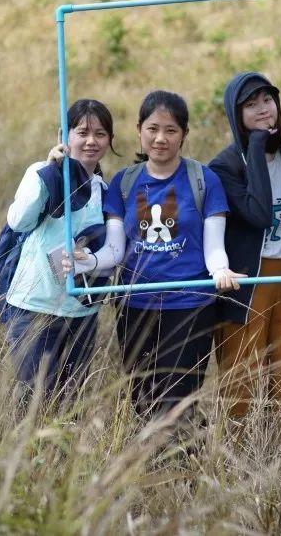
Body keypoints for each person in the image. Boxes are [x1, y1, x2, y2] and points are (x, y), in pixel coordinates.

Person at [101, 90, 245, 420]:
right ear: (139, 129)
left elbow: (214, 247)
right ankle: (149, 467)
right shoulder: (123, 183)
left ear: (184, 134)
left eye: (171, 130)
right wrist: (86, 261)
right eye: (152, 129)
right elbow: (113, 249)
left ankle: (187, 466)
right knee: (142, 396)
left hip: (191, 305)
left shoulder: (203, 179)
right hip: (135, 305)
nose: (161, 138)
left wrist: (220, 270)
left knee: (181, 396)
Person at [208, 72, 281, 441]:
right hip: (246, 284)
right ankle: (237, 457)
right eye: (250, 105)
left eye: (267, 100)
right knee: (242, 374)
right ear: (235, 115)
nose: (262, 109)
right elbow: (259, 214)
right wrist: (254, 147)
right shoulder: (223, 167)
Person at [3, 98, 119, 402]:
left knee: (70, 403)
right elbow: (18, 220)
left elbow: (107, 250)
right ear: (63, 136)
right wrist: (50, 172)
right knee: (33, 402)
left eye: (100, 134)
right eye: (82, 132)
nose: (91, 141)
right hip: (35, 307)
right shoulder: (42, 173)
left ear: (109, 140)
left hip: (82, 311)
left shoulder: (105, 191)